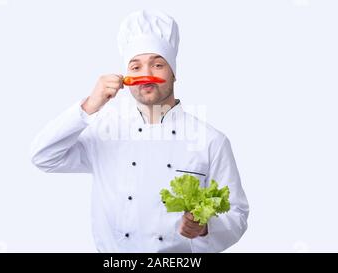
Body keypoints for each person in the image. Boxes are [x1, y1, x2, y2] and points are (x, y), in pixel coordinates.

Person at [30, 9, 249, 252]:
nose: (147, 75)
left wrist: (205, 227)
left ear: (174, 73)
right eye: (135, 67)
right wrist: (90, 105)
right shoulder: (105, 131)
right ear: (126, 78)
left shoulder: (210, 140)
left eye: (157, 64)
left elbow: (236, 214)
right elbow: (43, 157)